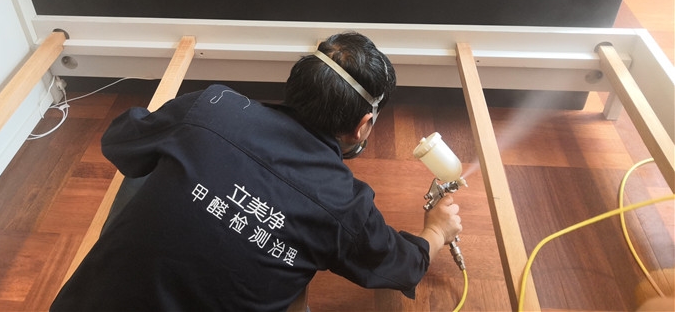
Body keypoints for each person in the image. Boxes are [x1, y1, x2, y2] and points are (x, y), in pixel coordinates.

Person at [50, 32, 462, 312]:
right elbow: (402, 265)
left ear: (296, 84)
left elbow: (121, 141)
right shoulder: (344, 204)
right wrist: (437, 232)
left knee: (156, 159)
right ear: (363, 125)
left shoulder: (212, 107)